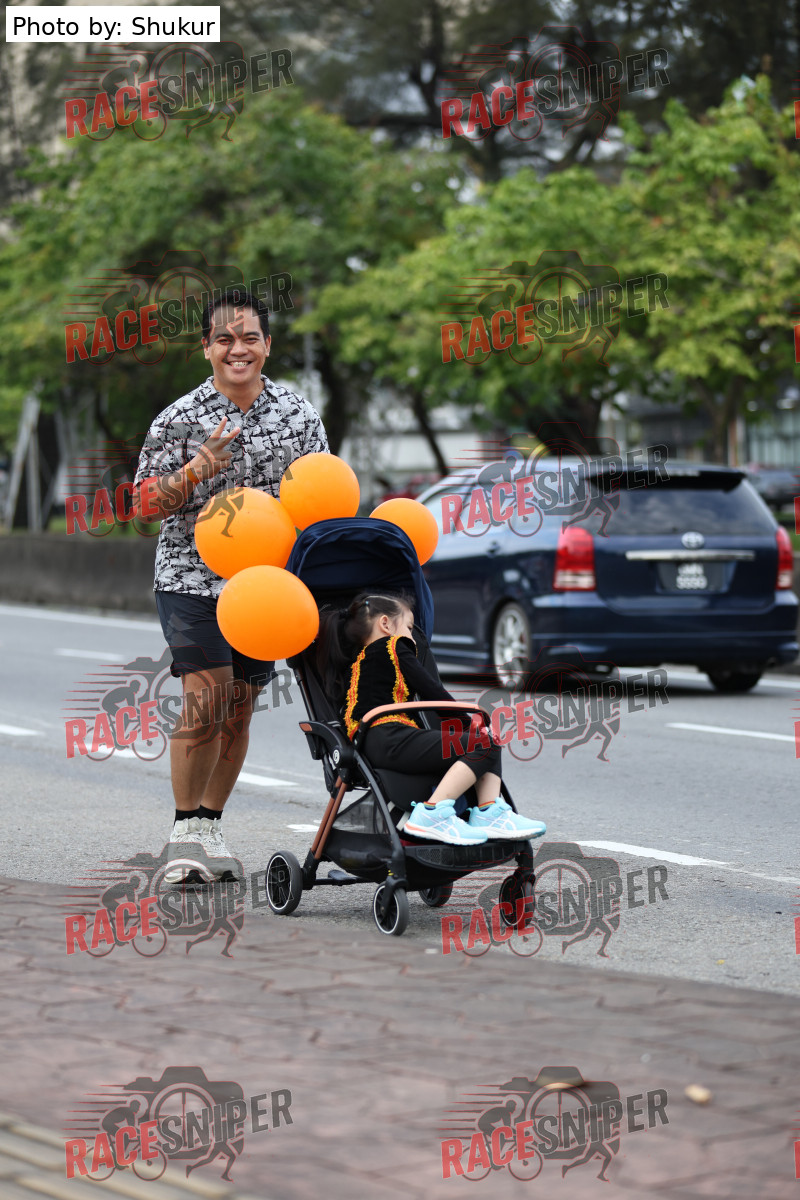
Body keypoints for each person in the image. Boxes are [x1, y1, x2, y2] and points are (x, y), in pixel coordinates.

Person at [133, 288, 328, 883]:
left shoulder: (299, 415)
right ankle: (182, 835)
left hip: (265, 585)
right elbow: (143, 505)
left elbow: (321, 497)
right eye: (224, 339)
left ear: (267, 345)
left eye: (248, 338)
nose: (236, 349)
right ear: (206, 348)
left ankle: (209, 826)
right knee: (208, 697)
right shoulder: (178, 418)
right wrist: (197, 469)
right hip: (190, 577)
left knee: (239, 710)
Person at [316, 592, 546, 846]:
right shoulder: (393, 646)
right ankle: (437, 812)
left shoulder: (358, 663)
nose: (412, 636)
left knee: (478, 743)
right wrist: (468, 723)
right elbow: (431, 690)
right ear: (385, 624)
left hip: (372, 744)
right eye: (408, 627)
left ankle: (487, 812)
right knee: (485, 743)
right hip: (390, 735)